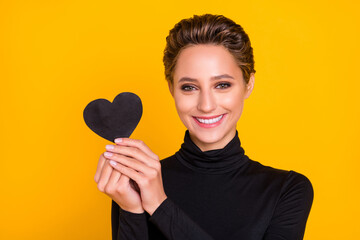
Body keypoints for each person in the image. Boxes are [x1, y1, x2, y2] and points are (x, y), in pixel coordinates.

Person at [94, 14, 314, 240]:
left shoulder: (287, 190)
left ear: (248, 84)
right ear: (172, 89)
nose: (206, 105)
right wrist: (132, 210)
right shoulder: (136, 183)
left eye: (222, 85)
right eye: (189, 87)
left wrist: (160, 205)